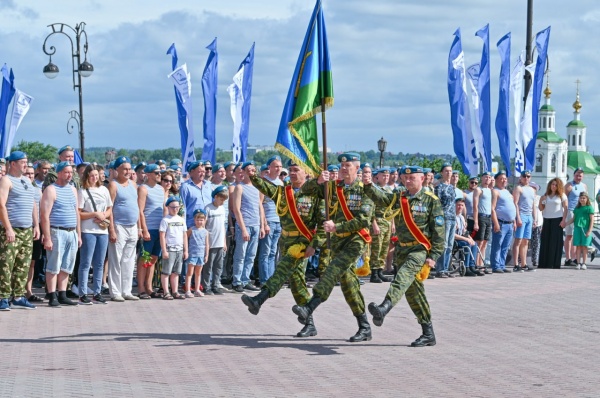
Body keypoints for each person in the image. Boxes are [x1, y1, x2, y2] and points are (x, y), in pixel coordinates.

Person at [292, 152, 374, 343]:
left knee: (333, 269)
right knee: (349, 284)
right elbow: (305, 191)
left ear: (357, 168)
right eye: (342, 166)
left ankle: (310, 307)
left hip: (356, 240)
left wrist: (337, 227)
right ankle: (364, 327)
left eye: (349, 166)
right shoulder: (333, 188)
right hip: (338, 241)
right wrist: (319, 181)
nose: (344, 169)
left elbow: (364, 220)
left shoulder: (365, 190)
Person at [364, 165, 445, 347]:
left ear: (422, 178)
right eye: (405, 178)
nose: (408, 181)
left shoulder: (431, 201)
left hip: (419, 250)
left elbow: (439, 232)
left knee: (402, 277)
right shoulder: (400, 198)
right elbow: (383, 198)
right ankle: (428, 332)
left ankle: (384, 307)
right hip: (402, 249)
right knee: (413, 292)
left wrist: (433, 256)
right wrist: (368, 186)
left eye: (412, 178)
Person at [241, 160, 323, 337]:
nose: (292, 173)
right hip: (285, 241)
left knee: (282, 270)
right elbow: (265, 187)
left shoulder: (315, 195)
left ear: (306, 173)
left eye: (296, 170)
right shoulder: (283, 192)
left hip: (302, 243)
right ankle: (309, 323)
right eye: (290, 170)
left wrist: (314, 245)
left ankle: (259, 300)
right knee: (297, 283)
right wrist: (253, 176)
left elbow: (323, 224)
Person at [0, 151, 40, 311]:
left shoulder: (26, 181)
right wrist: (8, 228)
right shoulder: (6, 180)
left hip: (27, 230)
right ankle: (3, 297)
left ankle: (18, 296)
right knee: (6, 265)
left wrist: (36, 225)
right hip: (11, 229)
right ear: (13, 164)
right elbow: (1, 205)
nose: (26, 164)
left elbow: (32, 204)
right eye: (22, 162)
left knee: (23, 265)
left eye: (26, 161)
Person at [40, 161, 81, 307]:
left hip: (71, 232)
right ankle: (52, 295)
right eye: (66, 172)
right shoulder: (51, 190)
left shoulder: (73, 189)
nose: (69, 175)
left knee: (67, 265)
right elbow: (44, 215)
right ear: (58, 173)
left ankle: (62, 293)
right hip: (57, 231)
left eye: (71, 172)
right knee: (53, 265)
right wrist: (48, 237)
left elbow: (76, 212)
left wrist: (79, 234)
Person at [77, 164, 113, 304]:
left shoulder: (104, 189)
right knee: (86, 263)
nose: (94, 178)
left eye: (96, 175)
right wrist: (94, 214)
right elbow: (79, 213)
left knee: (99, 263)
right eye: (92, 175)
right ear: (87, 176)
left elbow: (110, 208)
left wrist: (104, 215)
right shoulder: (83, 191)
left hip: (102, 231)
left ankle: (97, 292)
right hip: (88, 231)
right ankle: (82, 293)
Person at [107, 156, 141, 302]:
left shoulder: (133, 184)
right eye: (124, 169)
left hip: (133, 226)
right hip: (119, 226)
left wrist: (139, 227)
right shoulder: (113, 185)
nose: (127, 171)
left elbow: (137, 207)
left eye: (129, 169)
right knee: (116, 259)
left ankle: (126, 290)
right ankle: (115, 291)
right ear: (117, 170)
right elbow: (110, 208)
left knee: (129, 260)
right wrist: (112, 229)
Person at [231, 161, 264, 293]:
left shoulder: (258, 187)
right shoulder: (240, 187)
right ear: (243, 172)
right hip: (245, 225)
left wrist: (262, 225)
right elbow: (236, 209)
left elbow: (260, 206)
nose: (252, 172)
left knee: (251, 255)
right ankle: (236, 281)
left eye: (253, 170)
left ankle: (245, 279)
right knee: (241, 254)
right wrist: (243, 228)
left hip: (256, 225)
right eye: (249, 170)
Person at [137, 164, 166, 299]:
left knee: (153, 259)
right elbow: (140, 211)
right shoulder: (143, 189)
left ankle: (149, 287)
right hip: (149, 227)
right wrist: (144, 229)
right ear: (148, 174)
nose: (159, 175)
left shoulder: (161, 189)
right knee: (144, 259)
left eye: (160, 173)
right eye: (156, 173)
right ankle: (141, 288)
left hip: (159, 228)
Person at [257, 155, 283, 287]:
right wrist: (264, 223)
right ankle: (264, 280)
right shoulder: (264, 182)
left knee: (273, 252)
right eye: (276, 166)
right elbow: (260, 204)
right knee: (265, 252)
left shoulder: (281, 183)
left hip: (279, 221)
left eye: (280, 166)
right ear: (269, 167)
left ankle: (271, 280)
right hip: (269, 221)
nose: (278, 169)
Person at [159, 196, 188, 299]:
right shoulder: (165, 220)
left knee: (176, 272)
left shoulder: (181, 220)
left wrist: (186, 250)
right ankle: (166, 291)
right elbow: (162, 235)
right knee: (166, 271)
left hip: (179, 249)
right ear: (168, 207)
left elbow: (184, 235)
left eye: (177, 207)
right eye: (173, 207)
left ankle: (175, 291)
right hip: (169, 248)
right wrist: (164, 250)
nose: (175, 209)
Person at [202, 186, 229, 295]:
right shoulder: (208, 208)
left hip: (220, 242)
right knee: (208, 266)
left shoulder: (222, 209)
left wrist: (224, 242)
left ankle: (216, 284)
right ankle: (206, 285)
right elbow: (204, 225)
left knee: (219, 266)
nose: (222, 202)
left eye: (224, 200)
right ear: (216, 197)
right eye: (221, 199)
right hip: (211, 242)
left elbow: (222, 226)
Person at [369, 167, 393, 283]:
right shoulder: (374, 189)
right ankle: (373, 273)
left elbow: (392, 208)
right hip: (378, 221)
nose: (386, 177)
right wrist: (374, 224)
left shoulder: (389, 190)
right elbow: (370, 209)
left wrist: (392, 223)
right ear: (377, 177)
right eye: (383, 175)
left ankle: (380, 271)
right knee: (376, 248)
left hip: (387, 222)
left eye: (387, 175)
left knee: (384, 248)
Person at [538, 178, 568, 269]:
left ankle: (554, 263)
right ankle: (544, 263)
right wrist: (541, 200)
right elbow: (541, 208)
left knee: (555, 242)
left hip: (557, 219)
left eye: (555, 185)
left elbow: (566, 208)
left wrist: (563, 220)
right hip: (547, 219)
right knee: (545, 241)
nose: (553, 186)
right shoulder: (546, 195)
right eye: (552, 184)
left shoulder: (561, 195)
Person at [490, 171, 515, 273]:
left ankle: (502, 264)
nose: (504, 180)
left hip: (510, 223)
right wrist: (496, 223)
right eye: (501, 178)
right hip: (501, 222)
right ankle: (496, 266)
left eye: (505, 178)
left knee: (505, 246)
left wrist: (514, 221)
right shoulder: (495, 191)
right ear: (496, 180)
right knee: (497, 245)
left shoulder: (507, 191)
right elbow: (492, 208)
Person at [511, 170, 537, 272]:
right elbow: (515, 203)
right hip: (521, 214)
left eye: (528, 176)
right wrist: (518, 217)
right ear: (521, 177)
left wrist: (535, 219)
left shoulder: (532, 190)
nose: (526, 178)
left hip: (529, 215)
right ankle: (516, 264)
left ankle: (524, 263)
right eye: (524, 176)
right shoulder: (518, 188)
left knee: (526, 241)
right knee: (518, 240)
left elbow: (533, 205)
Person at [434, 162, 456, 278]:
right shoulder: (439, 187)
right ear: (442, 173)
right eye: (446, 171)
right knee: (444, 244)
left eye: (450, 171)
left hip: (452, 218)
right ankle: (440, 268)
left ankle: (446, 268)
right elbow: (437, 205)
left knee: (450, 245)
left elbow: (453, 204)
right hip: (444, 218)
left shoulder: (452, 187)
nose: (448, 173)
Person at [563, 168, 587, 266]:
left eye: (580, 175)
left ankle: (575, 258)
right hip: (571, 211)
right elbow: (564, 199)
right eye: (577, 175)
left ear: (583, 176)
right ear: (574, 175)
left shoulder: (584, 186)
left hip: (581, 213)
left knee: (577, 236)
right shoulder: (569, 185)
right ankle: (568, 258)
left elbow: (586, 199)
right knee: (569, 235)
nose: (578, 177)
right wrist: (564, 214)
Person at [454, 198, 483, 277]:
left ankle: (472, 266)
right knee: (467, 244)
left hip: (461, 238)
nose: (460, 207)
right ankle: (466, 268)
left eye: (462, 205)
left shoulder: (462, 218)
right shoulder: (452, 217)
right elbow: (453, 235)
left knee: (474, 244)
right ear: (455, 206)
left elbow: (464, 232)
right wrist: (466, 239)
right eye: (458, 205)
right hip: (454, 240)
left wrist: (470, 238)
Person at [565, 192, 594, 270]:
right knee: (578, 246)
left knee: (585, 247)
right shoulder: (577, 208)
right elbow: (573, 219)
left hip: (585, 228)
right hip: (577, 228)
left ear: (587, 199)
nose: (582, 199)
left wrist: (589, 230)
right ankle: (578, 263)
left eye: (584, 198)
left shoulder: (589, 208)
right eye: (581, 198)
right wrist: (566, 223)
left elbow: (592, 220)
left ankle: (584, 263)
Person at [471, 171, 493, 272]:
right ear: (482, 178)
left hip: (488, 217)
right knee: (479, 242)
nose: (487, 179)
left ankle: (482, 263)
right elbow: (475, 206)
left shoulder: (490, 190)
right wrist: (476, 221)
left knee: (485, 242)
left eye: (489, 177)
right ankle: (477, 263)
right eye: (485, 177)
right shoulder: (478, 190)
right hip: (481, 216)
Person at [185, 209, 209, 298]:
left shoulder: (205, 231)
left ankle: (197, 289)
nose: (199, 222)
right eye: (197, 220)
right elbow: (185, 238)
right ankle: (187, 290)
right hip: (192, 254)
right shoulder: (191, 229)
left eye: (201, 220)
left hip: (201, 255)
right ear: (194, 220)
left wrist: (206, 255)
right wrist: (186, 250)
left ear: (204, 220)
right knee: (190, 273)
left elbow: (207, 244)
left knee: (198, 273)